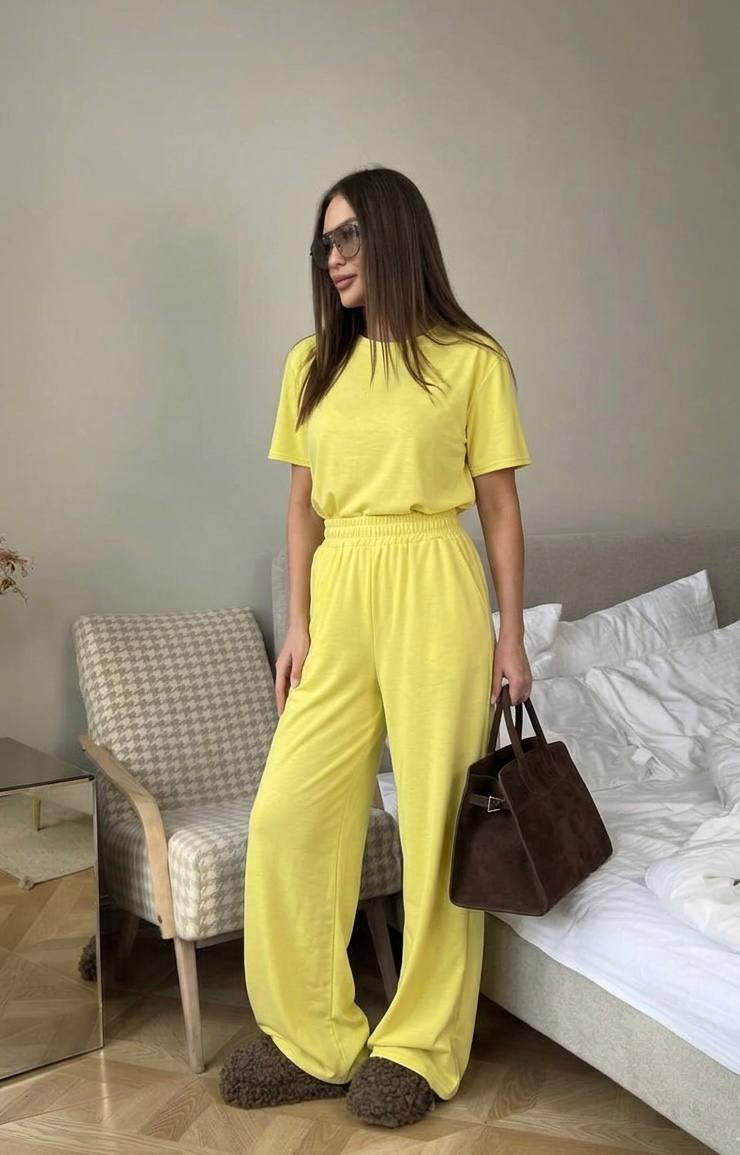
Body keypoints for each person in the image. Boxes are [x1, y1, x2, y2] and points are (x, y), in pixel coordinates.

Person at [219, 165, 533, 1128]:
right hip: (343, 584)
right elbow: (302, 504)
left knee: (438, 819)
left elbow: (499, 506)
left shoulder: (471, 359)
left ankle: (419, 1043)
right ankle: (312, 1035)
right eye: (325, 241)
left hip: (435, 577)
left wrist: (512, 636)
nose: (333, 256)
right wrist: (300, 622)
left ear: (397, 234)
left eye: (349, 234)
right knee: (289, 816)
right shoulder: (310, 363)